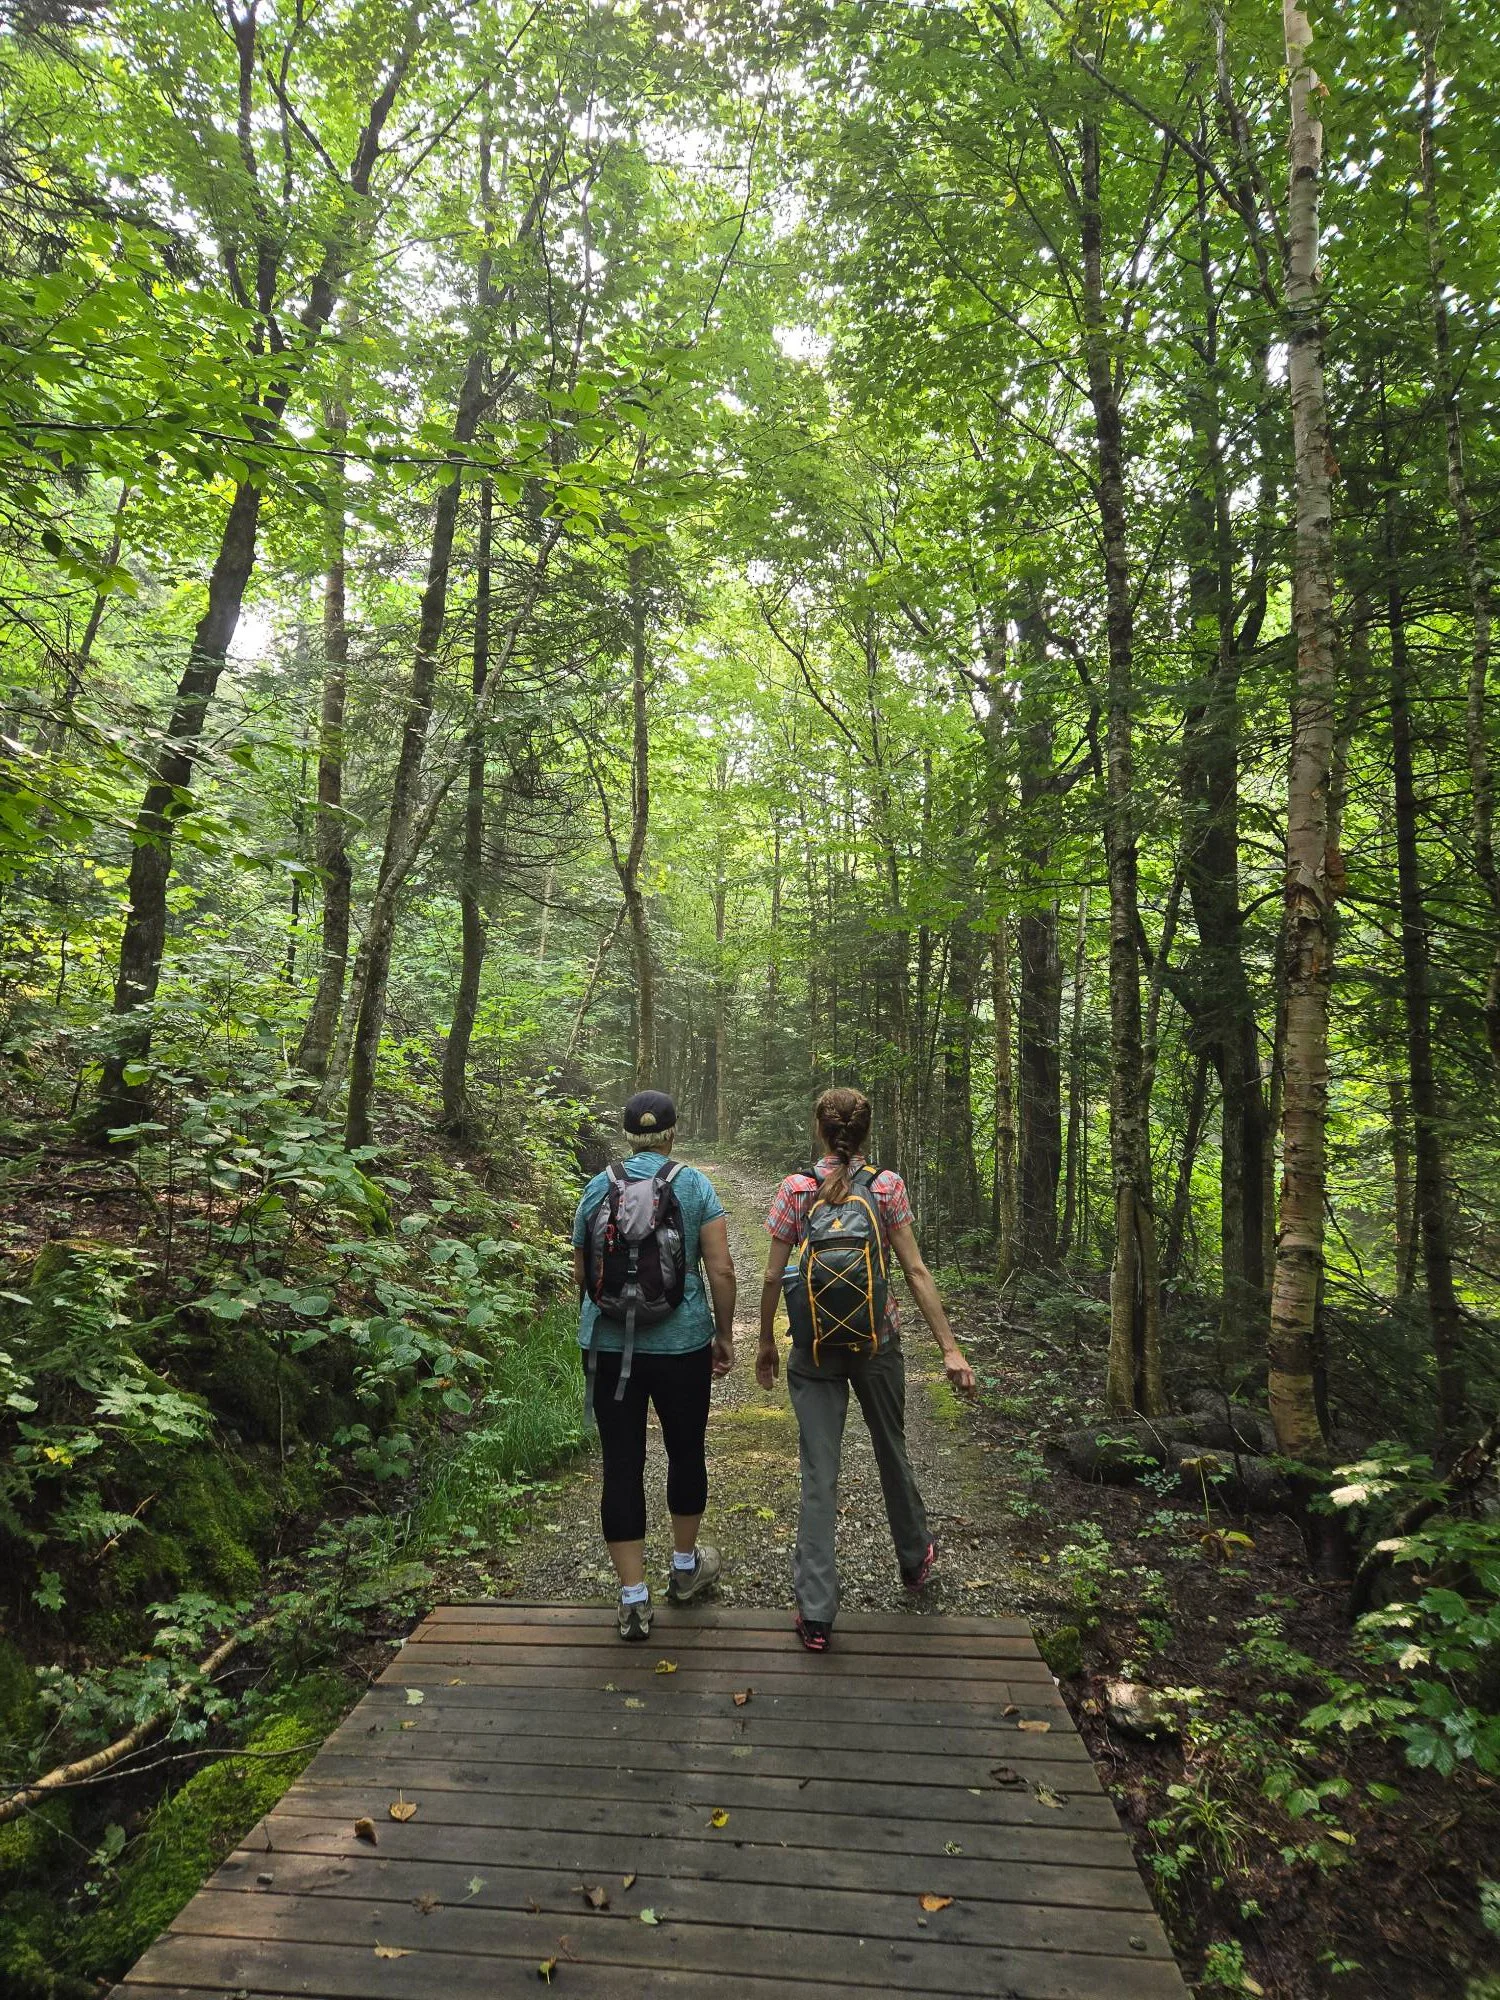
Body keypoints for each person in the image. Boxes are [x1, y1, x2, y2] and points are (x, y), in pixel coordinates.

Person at [756, 1086, 975, 1651]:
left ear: (820, 1130)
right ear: (865, 1132)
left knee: (818, 1475)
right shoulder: (886, 1186)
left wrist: (765, 1343)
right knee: (891, 1449)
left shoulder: (796, 1189)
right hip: (878, 1343)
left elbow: (772, 1277)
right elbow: (916, 1270)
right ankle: (913, 1558)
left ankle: (816, 1614)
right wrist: (950, 1349)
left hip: (816, 1351)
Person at [573, 1089, 736, 1640]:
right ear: (671, 1133)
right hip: (682, 1341)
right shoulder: (693, 1184)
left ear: (627, 1134)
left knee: (622, 1463)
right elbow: (721, 1270)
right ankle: (685, 1571)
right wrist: (723, 1335)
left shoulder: (600, 1185)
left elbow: (582, 1270)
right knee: (685, 1450)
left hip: (609, 1343)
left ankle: (633, 1599)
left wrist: (601, 1322)